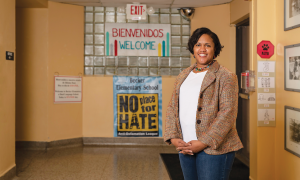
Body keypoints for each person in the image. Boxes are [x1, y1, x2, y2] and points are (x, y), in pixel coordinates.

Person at [164, 27, 243, 180]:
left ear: (215, 49)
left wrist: (203, 142)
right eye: (198, 45)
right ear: (193, 49)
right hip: (185, 146)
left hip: (214, 149)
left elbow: (228, 114)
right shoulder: (183, 75)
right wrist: (173, 137)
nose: (202, 49)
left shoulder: (226, 76)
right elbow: (173, 107)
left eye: (208, 45)